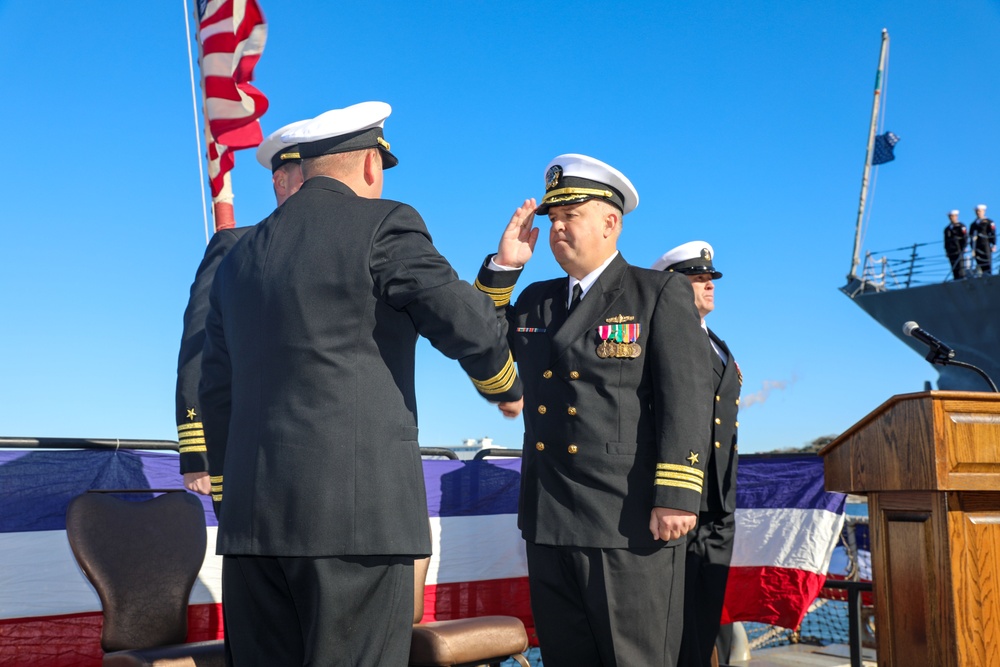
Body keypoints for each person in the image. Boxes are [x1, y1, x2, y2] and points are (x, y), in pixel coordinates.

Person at [199, 101, 523, 667]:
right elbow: (468, 325)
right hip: (357, 523)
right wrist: (502, 374)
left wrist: (233, 497)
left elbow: (215, 391)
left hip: (252, 527)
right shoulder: (384, 223)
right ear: (371, 166)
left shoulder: (236, 258)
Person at [474, 154, 714, 666]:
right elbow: (478, 341)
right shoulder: (536, 300)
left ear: (611, 221)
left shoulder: (658, 293)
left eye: (570, 216)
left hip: (627, 520)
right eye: (552, 218)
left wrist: (676, 495)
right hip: (549, 515)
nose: (557, 228)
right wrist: (505, 268)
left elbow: (686, 396)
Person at [175, 118, 309, 495]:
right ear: (280, 182)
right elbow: (199, 352)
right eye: (307, 174)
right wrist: (200, 454)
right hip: (252, 449)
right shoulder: (234, 247)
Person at [652, 241, 740, 667]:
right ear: (670, 285)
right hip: (680, 496)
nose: (709, 285)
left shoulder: (719, 345)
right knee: (673, 616)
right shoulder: (661, 336)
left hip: (719, 501)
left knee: (703, 614)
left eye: (710, 278)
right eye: (698, 278)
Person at [970, 204, 996, 276]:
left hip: (986, 244)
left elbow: (992, 233)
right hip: (977, 246)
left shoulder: (989, 222)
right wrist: (972, 248)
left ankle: (988, 275)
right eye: (977, 211)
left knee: (987, 261)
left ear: (984, 211)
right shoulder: (973, 224)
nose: (978, 212)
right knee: (979, 262)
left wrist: (994, 244)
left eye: (980, 211)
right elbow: (971, 236)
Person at [943, 209, 968, 280]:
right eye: (950, 216)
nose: (951, 218)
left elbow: (965, 237)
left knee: (960, 267)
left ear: (956, 216)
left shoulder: (961, 226)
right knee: (954, 267)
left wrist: (964, 247)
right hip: (951, 250)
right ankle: (956, 278)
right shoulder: (947, 229)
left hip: (959, 249)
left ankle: (961, 278)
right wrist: (946, 251)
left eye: (952, 216)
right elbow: (946, 241)